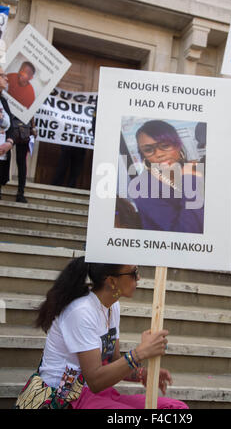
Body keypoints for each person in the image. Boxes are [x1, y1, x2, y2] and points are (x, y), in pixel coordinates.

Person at [14, 257, 188, 409]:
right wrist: (140, 352)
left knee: (175, 407)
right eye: (133, 273)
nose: (139, 278)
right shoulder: (81, 311)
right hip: (66, 398)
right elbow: (95, 380)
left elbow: (114, 361)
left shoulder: (113, 306)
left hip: (95, 394)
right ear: (112, 281)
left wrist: (143, 373)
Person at [125, 120, 204, 233]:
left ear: (178, 145)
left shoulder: (192, 170)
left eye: (165, 145)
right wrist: (191, 183)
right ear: (143, 156)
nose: (159, 154)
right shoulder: (141, 187)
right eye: (148, 150)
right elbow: (185, 234)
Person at [0, 67, 15, 200]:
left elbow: (12, 126)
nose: (7, 78)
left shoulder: (3, 101)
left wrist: (9, 142)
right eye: (2, 75)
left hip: (2, 156)